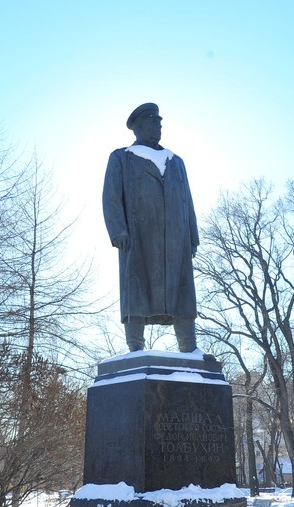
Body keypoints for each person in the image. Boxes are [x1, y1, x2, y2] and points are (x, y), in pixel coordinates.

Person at [102, 103, 199, 352]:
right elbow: (111, 197)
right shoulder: (122, 158)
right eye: (153, 121)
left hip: (176, 239)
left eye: (159, 122)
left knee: (182, 292)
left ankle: (189, 348)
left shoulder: (176, 161)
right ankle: (135, 348)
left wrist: (192, 236)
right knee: (136, 290)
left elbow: (187, 200)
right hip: (138, 238)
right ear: (138, 127)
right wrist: (118, 230)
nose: (158, 126)